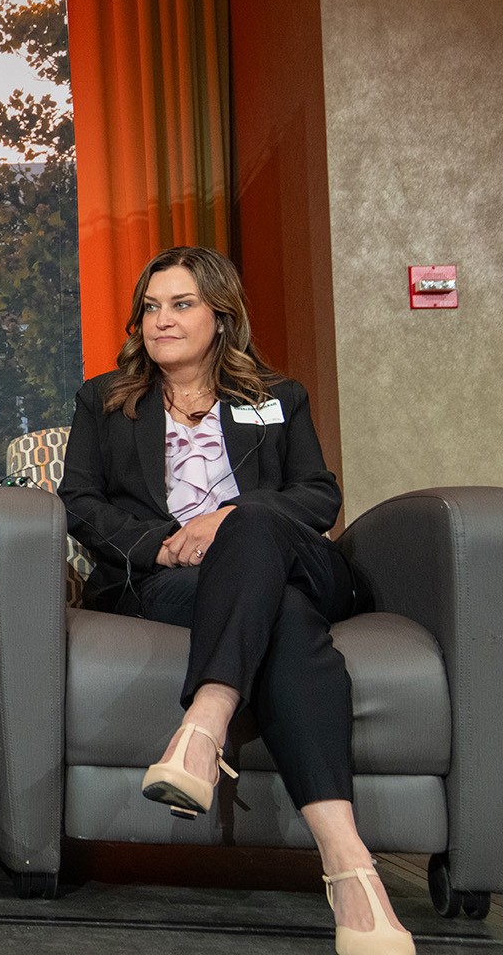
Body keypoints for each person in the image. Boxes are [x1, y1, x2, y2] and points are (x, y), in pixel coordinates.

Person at [59, 246, 411, 955]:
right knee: (280, 617)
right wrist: (160, 543)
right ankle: (351, 871)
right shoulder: (106, 400)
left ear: (221, 316)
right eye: (151, 307)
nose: (161, 320)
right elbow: (81, 500)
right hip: (175, 577)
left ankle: (205, 723)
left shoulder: (277, 398)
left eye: (180, 304)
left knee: (252, 520)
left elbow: (318, 494)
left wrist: (226, 521)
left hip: (290, 558)